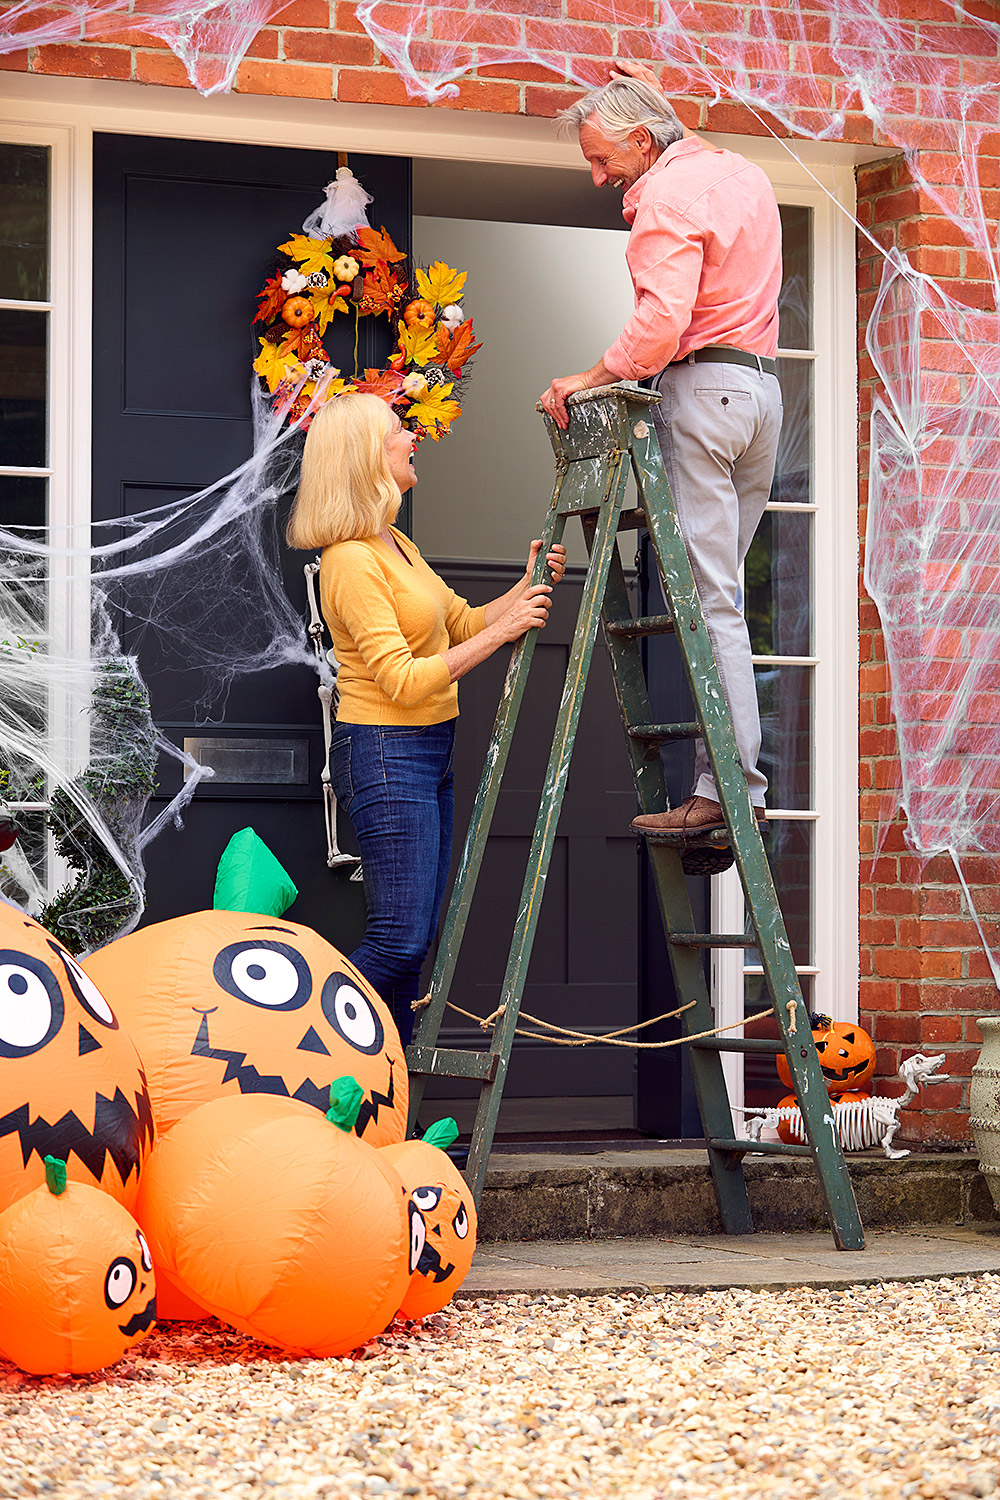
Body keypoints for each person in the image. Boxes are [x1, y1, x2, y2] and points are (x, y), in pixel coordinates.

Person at [539, 69, 783, 836]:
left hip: (701, 393)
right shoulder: (741, 175)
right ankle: (726, 791)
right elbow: (686, 148)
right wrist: (660, 100)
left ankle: (730, 793)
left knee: (709, 605)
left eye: (604, 158)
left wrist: (586, 376)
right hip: (760, 400)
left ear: (644, 141)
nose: (598, 175)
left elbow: (660, 326)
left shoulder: (665, 199)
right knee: (722, 601)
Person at [286, 393, 566, 1045]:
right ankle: (299, 1050)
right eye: (397, 432)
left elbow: (461, 622)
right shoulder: (351, 560)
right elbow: (403, 682)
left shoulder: (397, 544)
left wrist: (523, 589)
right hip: (385, 749)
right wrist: (506, 635)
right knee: (398, 938)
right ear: (367, 459)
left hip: (429, 749)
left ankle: (391, 1109)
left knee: (418, 944)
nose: (413, 438)